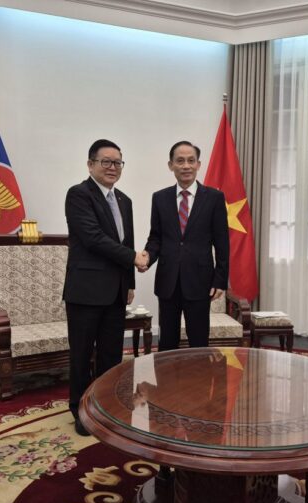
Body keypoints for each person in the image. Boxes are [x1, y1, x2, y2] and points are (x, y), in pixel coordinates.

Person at [63, 138, 148, 435]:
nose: (113, 167)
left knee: (112, 355)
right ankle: (80, 410)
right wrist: (134, 257)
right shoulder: (78, 195)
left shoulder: (124, 200)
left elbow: (127, 241)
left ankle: (106, 406)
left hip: (116, 291)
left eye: (118, 162)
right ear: (90, 164)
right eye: (106, 162)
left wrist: (130, 282)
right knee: (82, 354)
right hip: (86, 291)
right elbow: (93, 238)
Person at [143, 140, 229, 350]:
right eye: (180, 161)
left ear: (198, 164)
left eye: (191, 160)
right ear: (170, 165)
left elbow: (222, 242)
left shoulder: (214, 198)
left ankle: (198, 373)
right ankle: (167, 373)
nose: (186, 166)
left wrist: (220, 280)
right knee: (167, 342)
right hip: (168, 281)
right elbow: (156, 237)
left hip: (200, 281)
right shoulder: (159, 198)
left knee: (199, 342)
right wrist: (147, 257)